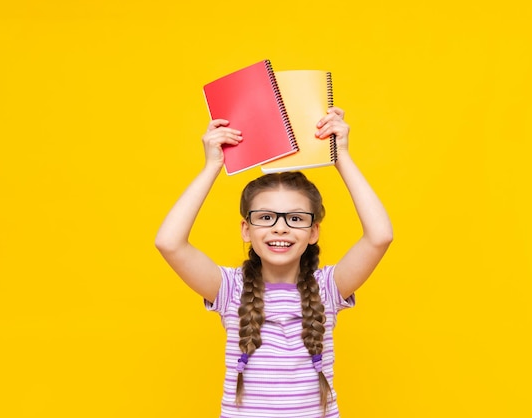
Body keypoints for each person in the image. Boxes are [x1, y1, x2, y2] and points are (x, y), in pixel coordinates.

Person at [155, 107, 393, 418]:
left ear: (313, 232)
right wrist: (212, 166)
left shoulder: (329, 288)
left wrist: (342, 157)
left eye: (295, 218)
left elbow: (380, 236)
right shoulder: (229, 289)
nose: (280, 227)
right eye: (265, 217)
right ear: (246, 229)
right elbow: (168, 242)